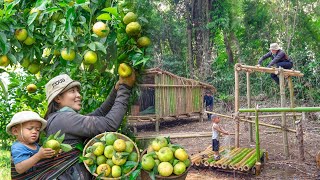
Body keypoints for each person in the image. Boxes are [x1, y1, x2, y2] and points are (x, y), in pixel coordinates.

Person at [43, 72, 135, 179]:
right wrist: (125, 88)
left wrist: (116, 90)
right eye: (72, 91)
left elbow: (100, 113)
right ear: (58, 98)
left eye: (78, 91)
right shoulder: (63, 119)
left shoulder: (57, 118)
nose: (79, 95)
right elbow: (110, 124)